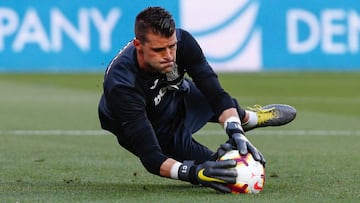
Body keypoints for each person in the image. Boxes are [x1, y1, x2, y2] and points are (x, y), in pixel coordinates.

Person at [98, 6, 296, 193]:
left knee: (217, 102)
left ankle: (247, 119)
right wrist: (195, 174)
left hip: (175, 94)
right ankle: (217, 154)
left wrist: (235, 130)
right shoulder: (122, 85)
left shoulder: (184, 42)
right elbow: (151, 158)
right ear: (138, 46)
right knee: (221, 171)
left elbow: (215, 92)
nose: (169, 56)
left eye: (171, 47)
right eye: (159, 50)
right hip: (155, 127)